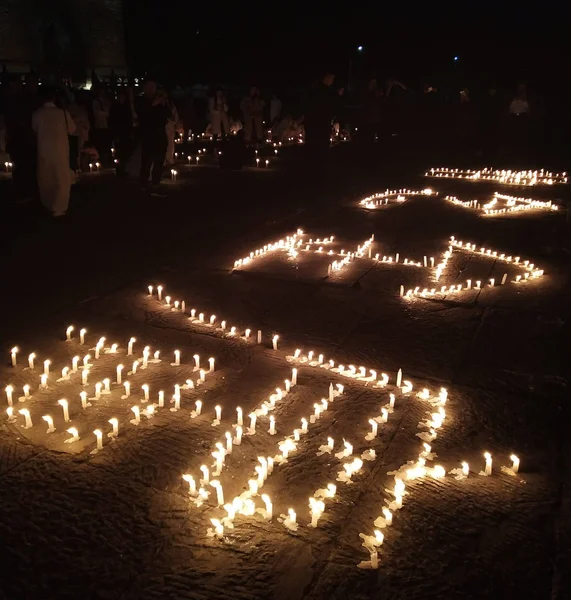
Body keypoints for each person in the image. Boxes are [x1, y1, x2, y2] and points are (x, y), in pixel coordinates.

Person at [32, 86, 76, 217]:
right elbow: (72, 129)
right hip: (60, 148)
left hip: (43, 149)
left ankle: (48, 202)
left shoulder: (37, 113)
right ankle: (60, 206)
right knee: (61, 177)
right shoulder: (62, 113)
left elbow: (34, 129)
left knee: (46, 176)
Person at [303, 71, 343, 178]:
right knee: (318, 149)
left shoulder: (319, 90)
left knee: (317, 149)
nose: (332, 81)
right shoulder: (322, 91)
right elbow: (326, 105)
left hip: (318, 125)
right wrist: (337, 95)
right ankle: (316, 172)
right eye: (331, 79)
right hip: (318, 125)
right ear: (327, 78)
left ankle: (315, 171)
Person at [137, 80, 171, 196]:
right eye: (150, 87)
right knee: (146, 162)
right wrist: (152, 105)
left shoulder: (160, 100)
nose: (152, 90)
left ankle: (155, 184)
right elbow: (141, 116)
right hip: (148, 136)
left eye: (154, 87)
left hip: (160, 135)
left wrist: (164, 104)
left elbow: (168, 115)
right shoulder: (141, 101)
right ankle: (143, 185)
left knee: (159, 162)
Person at [109, 89, 134, 175]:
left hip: (126, 132)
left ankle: (125, 168)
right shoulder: (114, 107)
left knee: (126, 151)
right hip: (118, 132)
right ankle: (119, 169)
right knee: (119, 152)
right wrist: (115, 133)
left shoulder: (127, 107)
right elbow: (112, 120)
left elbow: (129, 119)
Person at [92, 87, 112, 164]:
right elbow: (97, 113)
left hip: (107, 126)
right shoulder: (96, 102)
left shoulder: (108, 102)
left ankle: (107, 160)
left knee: (107, 144)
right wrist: (106, 114)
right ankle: (101, 160)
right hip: (100, 125)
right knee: (101, 143)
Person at [164, 92, 182, 165]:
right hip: (163, 126)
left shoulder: (171, 105)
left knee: (170, 143)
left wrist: (176, 123)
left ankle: (170, 158)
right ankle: (164, 160)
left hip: (170, 126)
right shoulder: (161, 104)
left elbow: (175, 115)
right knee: (164, 143)